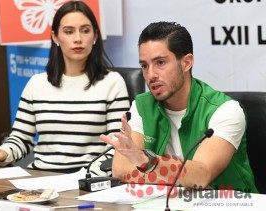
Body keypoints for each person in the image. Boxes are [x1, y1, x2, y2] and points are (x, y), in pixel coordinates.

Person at [100, 21, 258, 193]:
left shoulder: (226, 110)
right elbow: (121, 170)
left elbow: (201, 175)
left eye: (160, 63)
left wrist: (146, 162)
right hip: (170, 203)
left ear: (187, 62)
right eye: (144, 66)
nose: (151, 75)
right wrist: (183, 180)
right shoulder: (142, 106)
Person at [0, 1, 130, 176]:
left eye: (85, 31)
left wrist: (86, 177)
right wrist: (4, 152)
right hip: (40, 178)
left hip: (88, 180)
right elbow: (21, 139)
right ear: (55, 37)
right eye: (69, 31)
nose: (77, 38)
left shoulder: (112, 82)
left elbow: (117, 146)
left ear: (95, 36)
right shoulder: (36, 84)